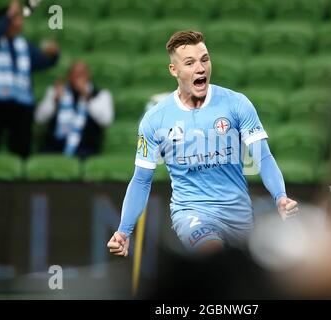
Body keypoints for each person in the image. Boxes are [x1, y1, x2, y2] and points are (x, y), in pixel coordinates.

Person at [107, 30, 298, 256]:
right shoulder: (155, 119)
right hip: (191, 212)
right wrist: (124, 230)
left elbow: (263, 157)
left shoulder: (236, 104)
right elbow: (141, 180)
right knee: (211, 252)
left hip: (239, 215)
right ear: (174, 70)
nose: (200, 68)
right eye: (190, 63)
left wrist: (280, 197)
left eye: (204, 60)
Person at [0, 0, 59, 158]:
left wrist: (53, 55)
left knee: (21, 147)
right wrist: (9, 15)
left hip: (21, 104)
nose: (19, 22)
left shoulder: (24, 45)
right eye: (14, 19)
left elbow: (43, 62)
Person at [34, 61, 114, 159]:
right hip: (54, 146)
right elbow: (39, 118)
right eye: (74, 73)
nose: (78, 77)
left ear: (88, 75)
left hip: (85, 148)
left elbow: (106, 120)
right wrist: (54, 100)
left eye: (81, 73)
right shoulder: (55, 92)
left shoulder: (101, 95)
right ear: (69, 76)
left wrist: (87, 97)